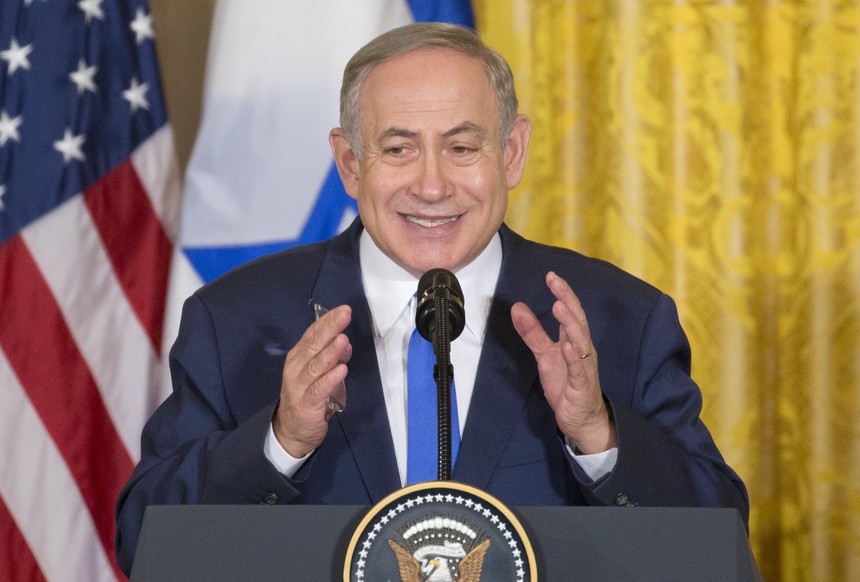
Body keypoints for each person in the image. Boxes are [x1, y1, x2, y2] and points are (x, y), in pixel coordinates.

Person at [114, 22, 749, 574]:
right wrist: (278, 444)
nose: (432, 185)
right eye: (398, 148)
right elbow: (144, 539)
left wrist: (599, 436)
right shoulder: (237, 321)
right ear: (349, 163)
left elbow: (720, 541)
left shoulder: (621, 320)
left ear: (512, 152)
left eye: (462, 147)